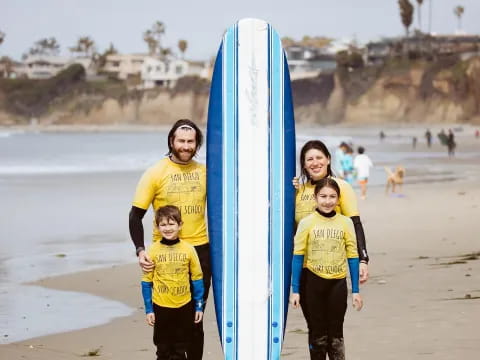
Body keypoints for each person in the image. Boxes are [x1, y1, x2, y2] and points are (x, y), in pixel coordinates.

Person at [129, 119, 209, 360]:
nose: (185, 146)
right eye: (181, 141)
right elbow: (135, 216)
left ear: (197, 144)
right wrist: (141, 250)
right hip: (163, 255)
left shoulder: (205, 172)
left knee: (195, 318)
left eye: (190, 141)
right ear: (171, 142)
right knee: (167, 321)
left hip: (199, 251)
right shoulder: (155, 173)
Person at [293, 140, 369, 358]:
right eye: (309, 159)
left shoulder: (340, 187)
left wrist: (363, 259)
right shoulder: (297, 189)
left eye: (319, 157)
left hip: (334, 270)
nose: (315, 162)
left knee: (334, 330)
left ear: (328, 158)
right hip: (307, 270)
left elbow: (354, 223)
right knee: (316, 330)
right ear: (304, 164)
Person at [141, 205, 204, 360]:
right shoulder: (153, 250)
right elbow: (146, 282)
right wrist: (149, 310)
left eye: (171, 224)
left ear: (180, 225)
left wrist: (198, 306)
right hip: (161, 307)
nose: (167, 228)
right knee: (162, 349)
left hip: (184, 306)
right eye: (163, 224)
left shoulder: (188, 249)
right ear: (157, 226)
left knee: (180, 349)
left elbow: (197, 278)